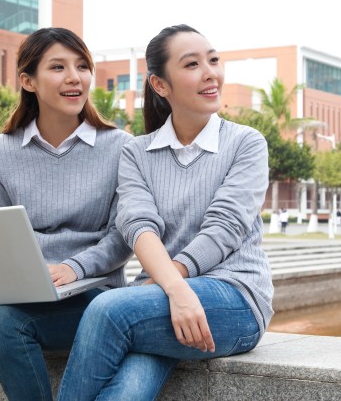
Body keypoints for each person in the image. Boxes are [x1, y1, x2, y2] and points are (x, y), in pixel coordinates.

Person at [58, 24, 273, 400]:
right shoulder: (136, 152)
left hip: (234, 298)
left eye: (213, 60)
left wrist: (172, 286)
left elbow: (225, 228)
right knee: (128, 390)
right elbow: (139, 226)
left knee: (109, 310)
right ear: (161, 85)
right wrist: (176, 290)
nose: (210, 73)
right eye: (192, 64)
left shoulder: (245, 143)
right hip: (163, 297)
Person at [0, 28, 133, 400]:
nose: (75, 77)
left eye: (82, 66)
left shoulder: (120, 147)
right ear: (28, 81)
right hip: (20, 290)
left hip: (92, 290)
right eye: (58, 67)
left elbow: (123, 237)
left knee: (4, 324)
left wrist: (74, 268)